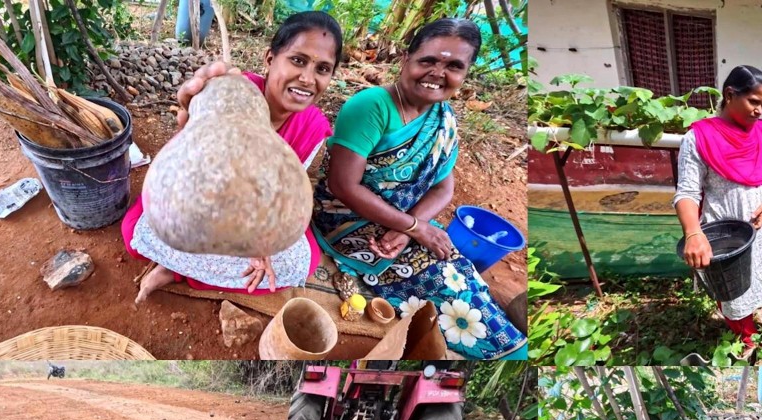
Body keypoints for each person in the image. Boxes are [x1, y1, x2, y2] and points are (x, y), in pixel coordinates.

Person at [316, 18, 526, 360]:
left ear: (466, 73)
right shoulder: (372, 106)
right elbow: (342, 184)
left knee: (460, 266)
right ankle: (504, 350)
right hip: (345, 218)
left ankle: (502, 339)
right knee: (440, 278)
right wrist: (414, 228)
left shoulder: (443, 121)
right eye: (428, 61)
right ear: (406, 59)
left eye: (454, 66)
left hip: (401, 221)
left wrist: (410, 228)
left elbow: (444, 189)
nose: (438, 73)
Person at [125, 11, 342, 303]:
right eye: (298, 60)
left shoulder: (313, 127)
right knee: (138, 232)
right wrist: (198, 110)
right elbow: (188, 182)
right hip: (205, 204)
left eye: (323, 69)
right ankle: (182, 270)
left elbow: (281, 198)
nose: (307, 78)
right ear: (269, 59)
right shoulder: (231, 91)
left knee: (301, 262)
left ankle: (179, 271)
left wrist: (262, 246)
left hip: (251, 222)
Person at [674, 65, 762, 354]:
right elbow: (686, 191)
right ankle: (747, 344)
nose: (760, 111)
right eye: (753, 102)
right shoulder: (698, 138)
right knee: (734, 297)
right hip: (729, 238)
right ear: (729, 95)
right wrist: (693, 234)